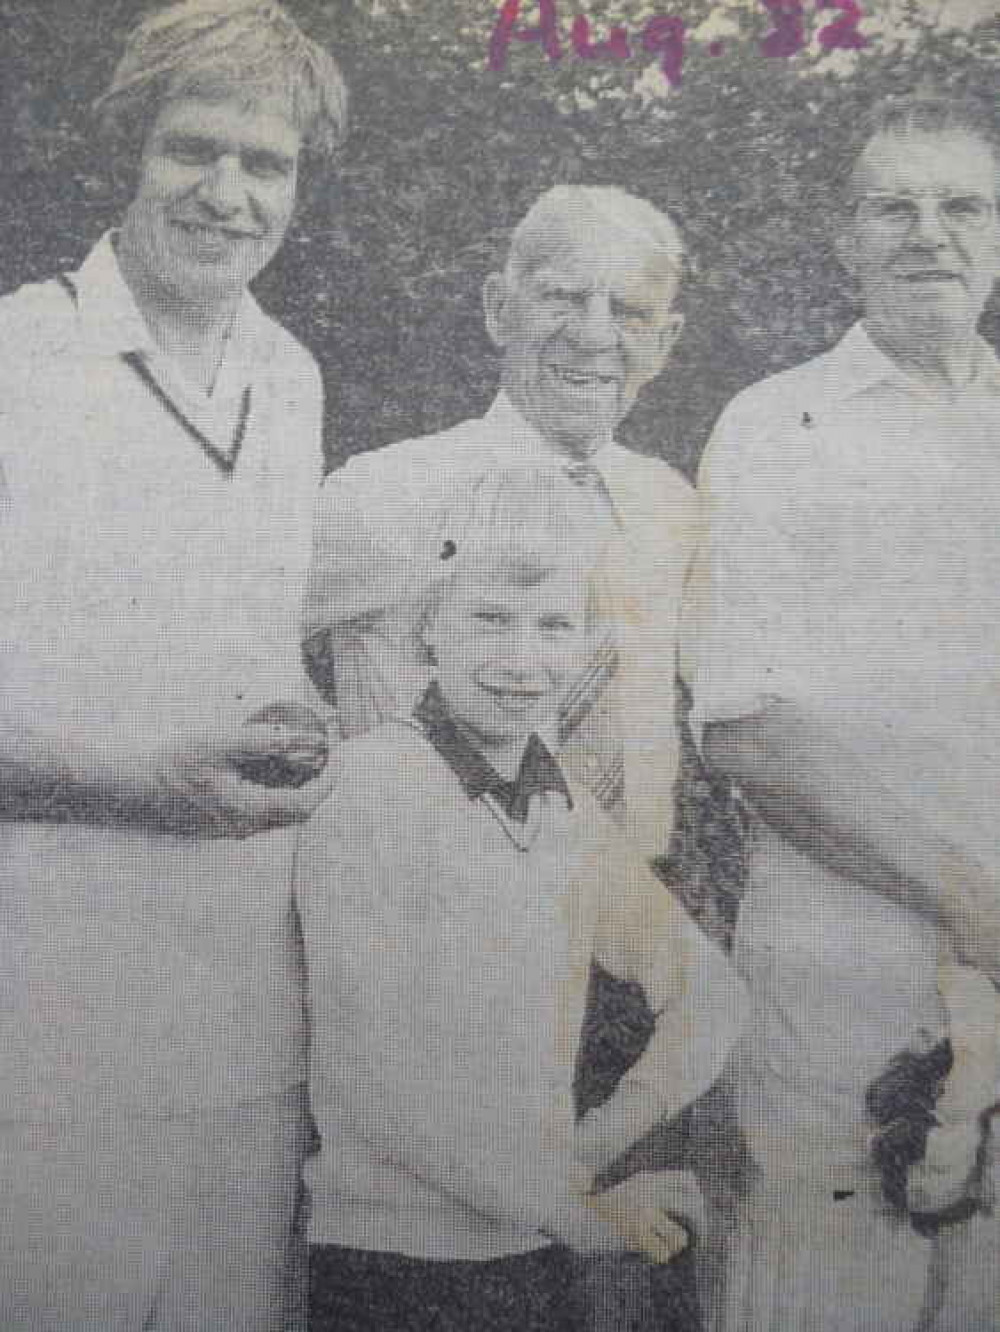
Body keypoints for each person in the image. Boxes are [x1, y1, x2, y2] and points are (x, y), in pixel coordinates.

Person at [0, 3, 346, 1328]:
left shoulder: (293, 375)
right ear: (124, 157)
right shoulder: (22, 354)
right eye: (193, 150)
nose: (227, 193)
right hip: (43, 1034)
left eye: (269, 165)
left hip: (244, 1026)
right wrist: (135, 779)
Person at [296, 468, 743, 1332]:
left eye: (553, 626)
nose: (521, 661)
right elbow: (376, 1088)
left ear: (584, 642)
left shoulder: (559, 802)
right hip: (390, 1266)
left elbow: (713, 994)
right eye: (489, 619)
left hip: (529, 1255)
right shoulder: (370, 787)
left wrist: (590, 1152)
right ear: (428, 626)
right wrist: (574, 1208)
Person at [689, 93, 1000, 1331]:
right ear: (845, 239)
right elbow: (744, 727)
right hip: (836, 996)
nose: (929, 232)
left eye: (963, 204)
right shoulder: (777, 428)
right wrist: (972, 901)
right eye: (895, 206)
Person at [303, 183, 697, 866]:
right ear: (498, 309)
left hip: (632, 919)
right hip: (431, 905)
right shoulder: (386, 493)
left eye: (629, 313)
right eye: (563, 299)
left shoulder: (670, 507)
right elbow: (238, 647)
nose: (593, 335)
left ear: (664, 344)